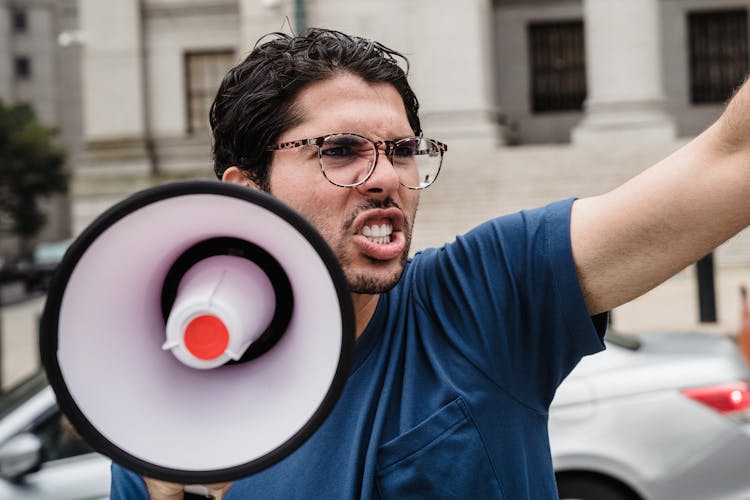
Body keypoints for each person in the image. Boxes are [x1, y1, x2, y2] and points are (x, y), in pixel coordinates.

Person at [110, 27, 750, 499]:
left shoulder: (481, 299)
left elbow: (733, 158)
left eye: (403, 149)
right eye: (339, 150)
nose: (386, 176)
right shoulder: (166, 426)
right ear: (249, 191)